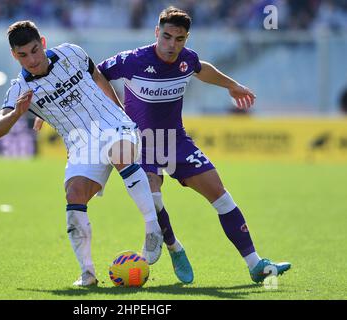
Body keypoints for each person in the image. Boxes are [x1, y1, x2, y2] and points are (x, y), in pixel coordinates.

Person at [96, 6, 291, 284]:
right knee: (152, 197)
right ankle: (174, 246)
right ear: (156, 33)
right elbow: (95, 73)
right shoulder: (132, 60)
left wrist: (231, 85)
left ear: (186, 38)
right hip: (141, 143)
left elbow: (201, 69)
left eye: (179, 39)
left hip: (177, 141)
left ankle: (256, 264)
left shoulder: (186, 59)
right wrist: (105, 109)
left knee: (221, 196)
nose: (172, 45)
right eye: (166, 37)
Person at [0, 21, 164, 286]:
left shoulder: (72, 53)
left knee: (120, 154)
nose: (32, 59)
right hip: (81, 145)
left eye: (35, 50)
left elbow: (97, 76)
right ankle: (87, 273)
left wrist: (119, 112)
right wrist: (17, 113)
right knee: (74, 196)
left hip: (112, 124)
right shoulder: (19, 89)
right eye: (23, 55)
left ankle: (153, 228)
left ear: (43, 43)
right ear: (15, 55)